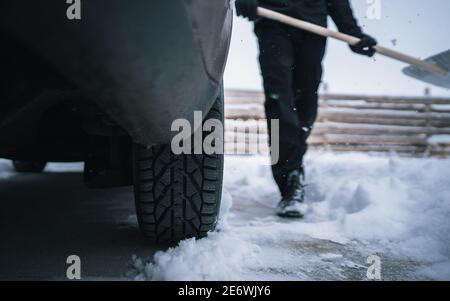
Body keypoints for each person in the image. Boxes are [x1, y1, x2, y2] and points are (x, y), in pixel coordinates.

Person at [235, 0, 377, 218]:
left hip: (313, 28)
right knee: (279, 98)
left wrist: (352, 33)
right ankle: (290, 179)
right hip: (273, 21)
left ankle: (294, 166)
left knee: (306, 104)